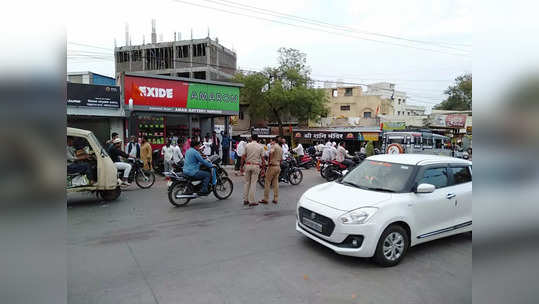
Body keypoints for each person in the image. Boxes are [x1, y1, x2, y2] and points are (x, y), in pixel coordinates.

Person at [241, 134, 265, 206]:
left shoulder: (247, 145)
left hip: (247, 165)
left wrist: (241, 166)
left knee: (247, 182)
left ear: (251, 138)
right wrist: (263, 168)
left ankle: (245, 200)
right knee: (253, 183)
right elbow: (263, 159)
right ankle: (252, 201)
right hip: (256, 166)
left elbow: (243, 156)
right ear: (257, 139)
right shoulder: (260, 147)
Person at [260, 137, 283, 205]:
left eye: (271, 141)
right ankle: (275, 198)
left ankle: (265, 198)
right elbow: (281, 158)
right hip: (278, 166)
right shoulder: (280, 148)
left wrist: (269, 160)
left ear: (274, 141)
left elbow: (270, 152)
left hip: (272, 166)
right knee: (275, 183)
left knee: (267, 182)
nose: (270, 143)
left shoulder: (274, 146)